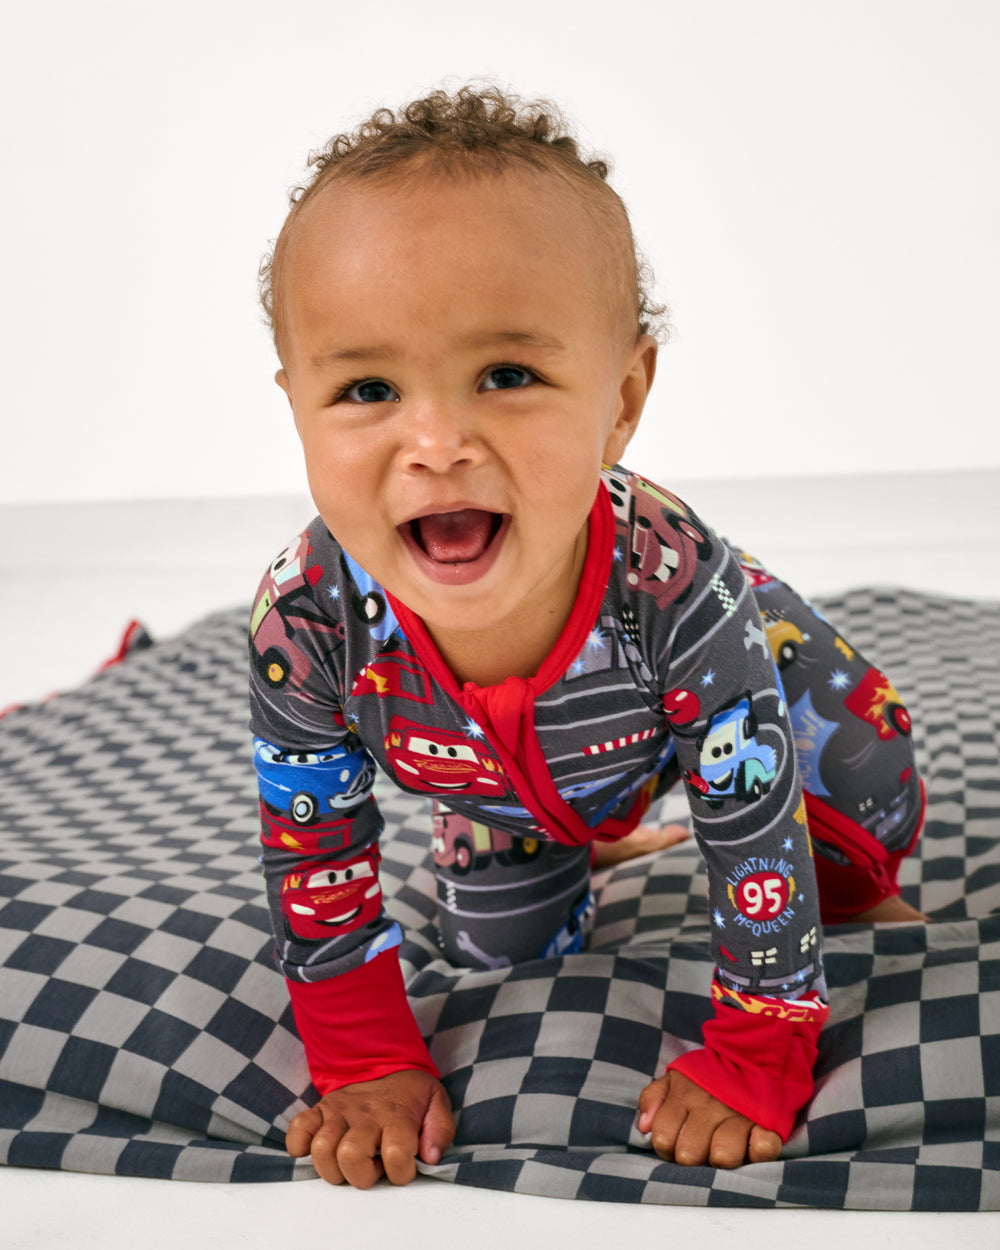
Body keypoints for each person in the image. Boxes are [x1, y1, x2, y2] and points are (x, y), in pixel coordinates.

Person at [249, 84, 925, 1189]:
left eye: (506, 376)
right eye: (367, 387)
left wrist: (759, 1046)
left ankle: (844, 863)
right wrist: (367, 1059)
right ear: (296, 408)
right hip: (500, 783)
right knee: (494, 951)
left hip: (743, 720)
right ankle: (578, 830)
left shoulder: (676, 582)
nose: (437, 440)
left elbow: (753, 829)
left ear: (621, 396)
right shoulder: (305, 619)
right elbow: (315, 848)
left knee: (855, 800)